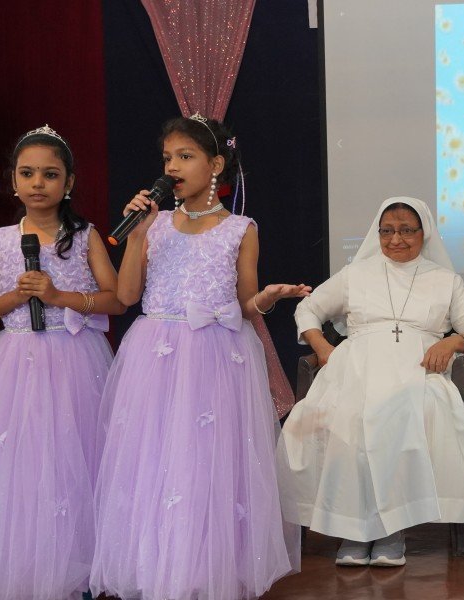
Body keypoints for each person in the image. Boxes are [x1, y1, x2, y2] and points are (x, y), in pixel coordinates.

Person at [89, 115, 309, 599]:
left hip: (216, 357)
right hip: (156, 354)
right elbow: (126, 295)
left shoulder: (240, 229)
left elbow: (245, 303)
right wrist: (139, 233)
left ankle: (204, 569)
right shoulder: (154, 225)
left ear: (215, 165)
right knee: (156, 460)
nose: (172, 167)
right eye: (167, 157)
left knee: (206, 462)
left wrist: (267, 299)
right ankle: (158, 567)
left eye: (185, 157)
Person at [0, 125, 125, 600]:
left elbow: (116, 300)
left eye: (50, 174)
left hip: (75, 360)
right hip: (15, 364)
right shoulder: (1, 240)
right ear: (13, 181)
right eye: (27, 173)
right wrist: (10, 299)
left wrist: (59, 296)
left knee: (77, 462)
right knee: (21, 467)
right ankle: (25, 566)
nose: (37, 183)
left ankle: (81, 569)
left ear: (69, 182)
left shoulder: (85, 237)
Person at [277, 197, 464, 567]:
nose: (396, 239)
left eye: (406, 230)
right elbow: (308, 308)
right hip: (354, 369)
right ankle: (353, 528)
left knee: (397, 416)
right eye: (387, 231)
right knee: (346, 418)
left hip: (417, 372)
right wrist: (322, 347)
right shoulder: (356, 274)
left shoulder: (445, 280)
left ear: (424, 233)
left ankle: (390, 529)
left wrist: (454, 341)